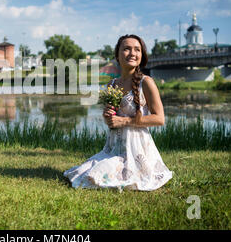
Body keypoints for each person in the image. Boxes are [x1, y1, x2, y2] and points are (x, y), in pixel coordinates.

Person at [63, 34, 173, 191]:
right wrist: (108, 116)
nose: (132, 53)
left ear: (142, 55)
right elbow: (111, 120)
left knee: (99, 176)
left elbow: (160, 119)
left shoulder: (146, 82)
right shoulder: (112, 84)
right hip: (113, 146)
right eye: (127, 49)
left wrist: (125, 121)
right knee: (83, 171)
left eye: (137, 50)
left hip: (137, 149)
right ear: (117, 55)